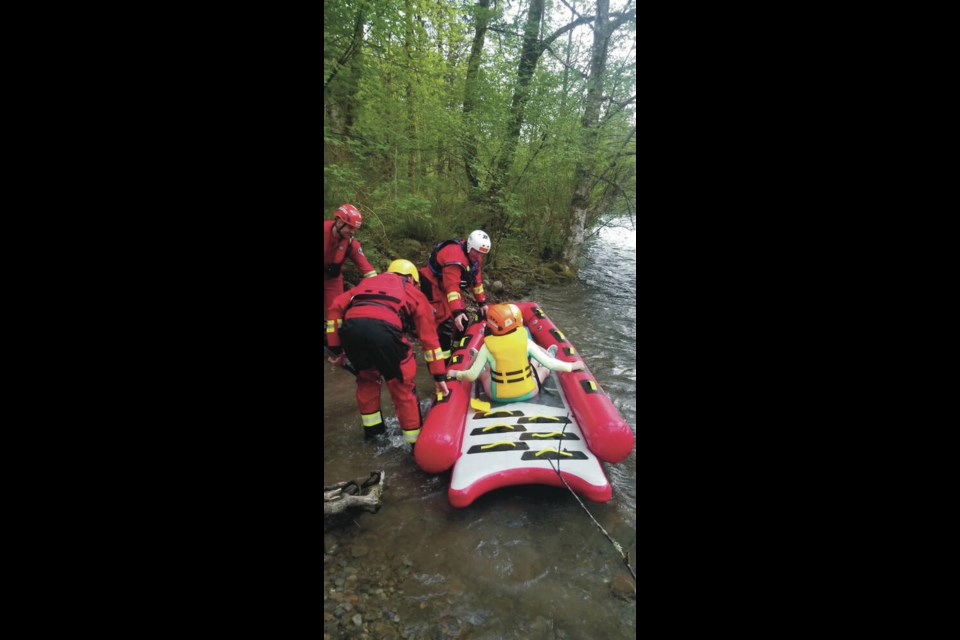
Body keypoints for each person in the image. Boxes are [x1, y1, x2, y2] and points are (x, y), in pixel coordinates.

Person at [326, 259, 449, 447]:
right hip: (385, 330)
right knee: (402, 385)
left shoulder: (365, 283)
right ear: (410, 278)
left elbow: (335, 307)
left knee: (366, 380)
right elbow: (429, 340)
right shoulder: (411, 290)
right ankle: (414, 444)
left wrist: (336, 350)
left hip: (352, 330)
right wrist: (439, 375)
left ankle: (374, 436)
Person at [447, 303, 584, 403]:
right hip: (529, 392)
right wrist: (572, 366)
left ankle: (479, 361)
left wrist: (456, 374)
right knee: (542, 368)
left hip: (497, 395)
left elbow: (471, 376)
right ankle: (546, 361)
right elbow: (550, 363)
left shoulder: (487, 346)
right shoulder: (525, 340)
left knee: (484, 374)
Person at [418, 230, 491, 364]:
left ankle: (456, 353)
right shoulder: (454, 256)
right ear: (470, 247)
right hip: (434, 285)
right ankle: (442, 362)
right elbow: (451, 287)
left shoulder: (475, 258)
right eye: (477, 252)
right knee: (444, 324)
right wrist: (456, 312)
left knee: (462, 322)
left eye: (482, 253)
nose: (479, 256)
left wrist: (482, 303)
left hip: (450, 287)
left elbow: (477, 282)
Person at [324, 203, 378, 327]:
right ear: (339, 222)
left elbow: (368, 270)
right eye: (350, 228)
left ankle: (333, 341)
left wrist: (380, 286)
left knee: (336, 313)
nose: (352, 232)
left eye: (354, 229)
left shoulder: (351, 244)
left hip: (332, 279)